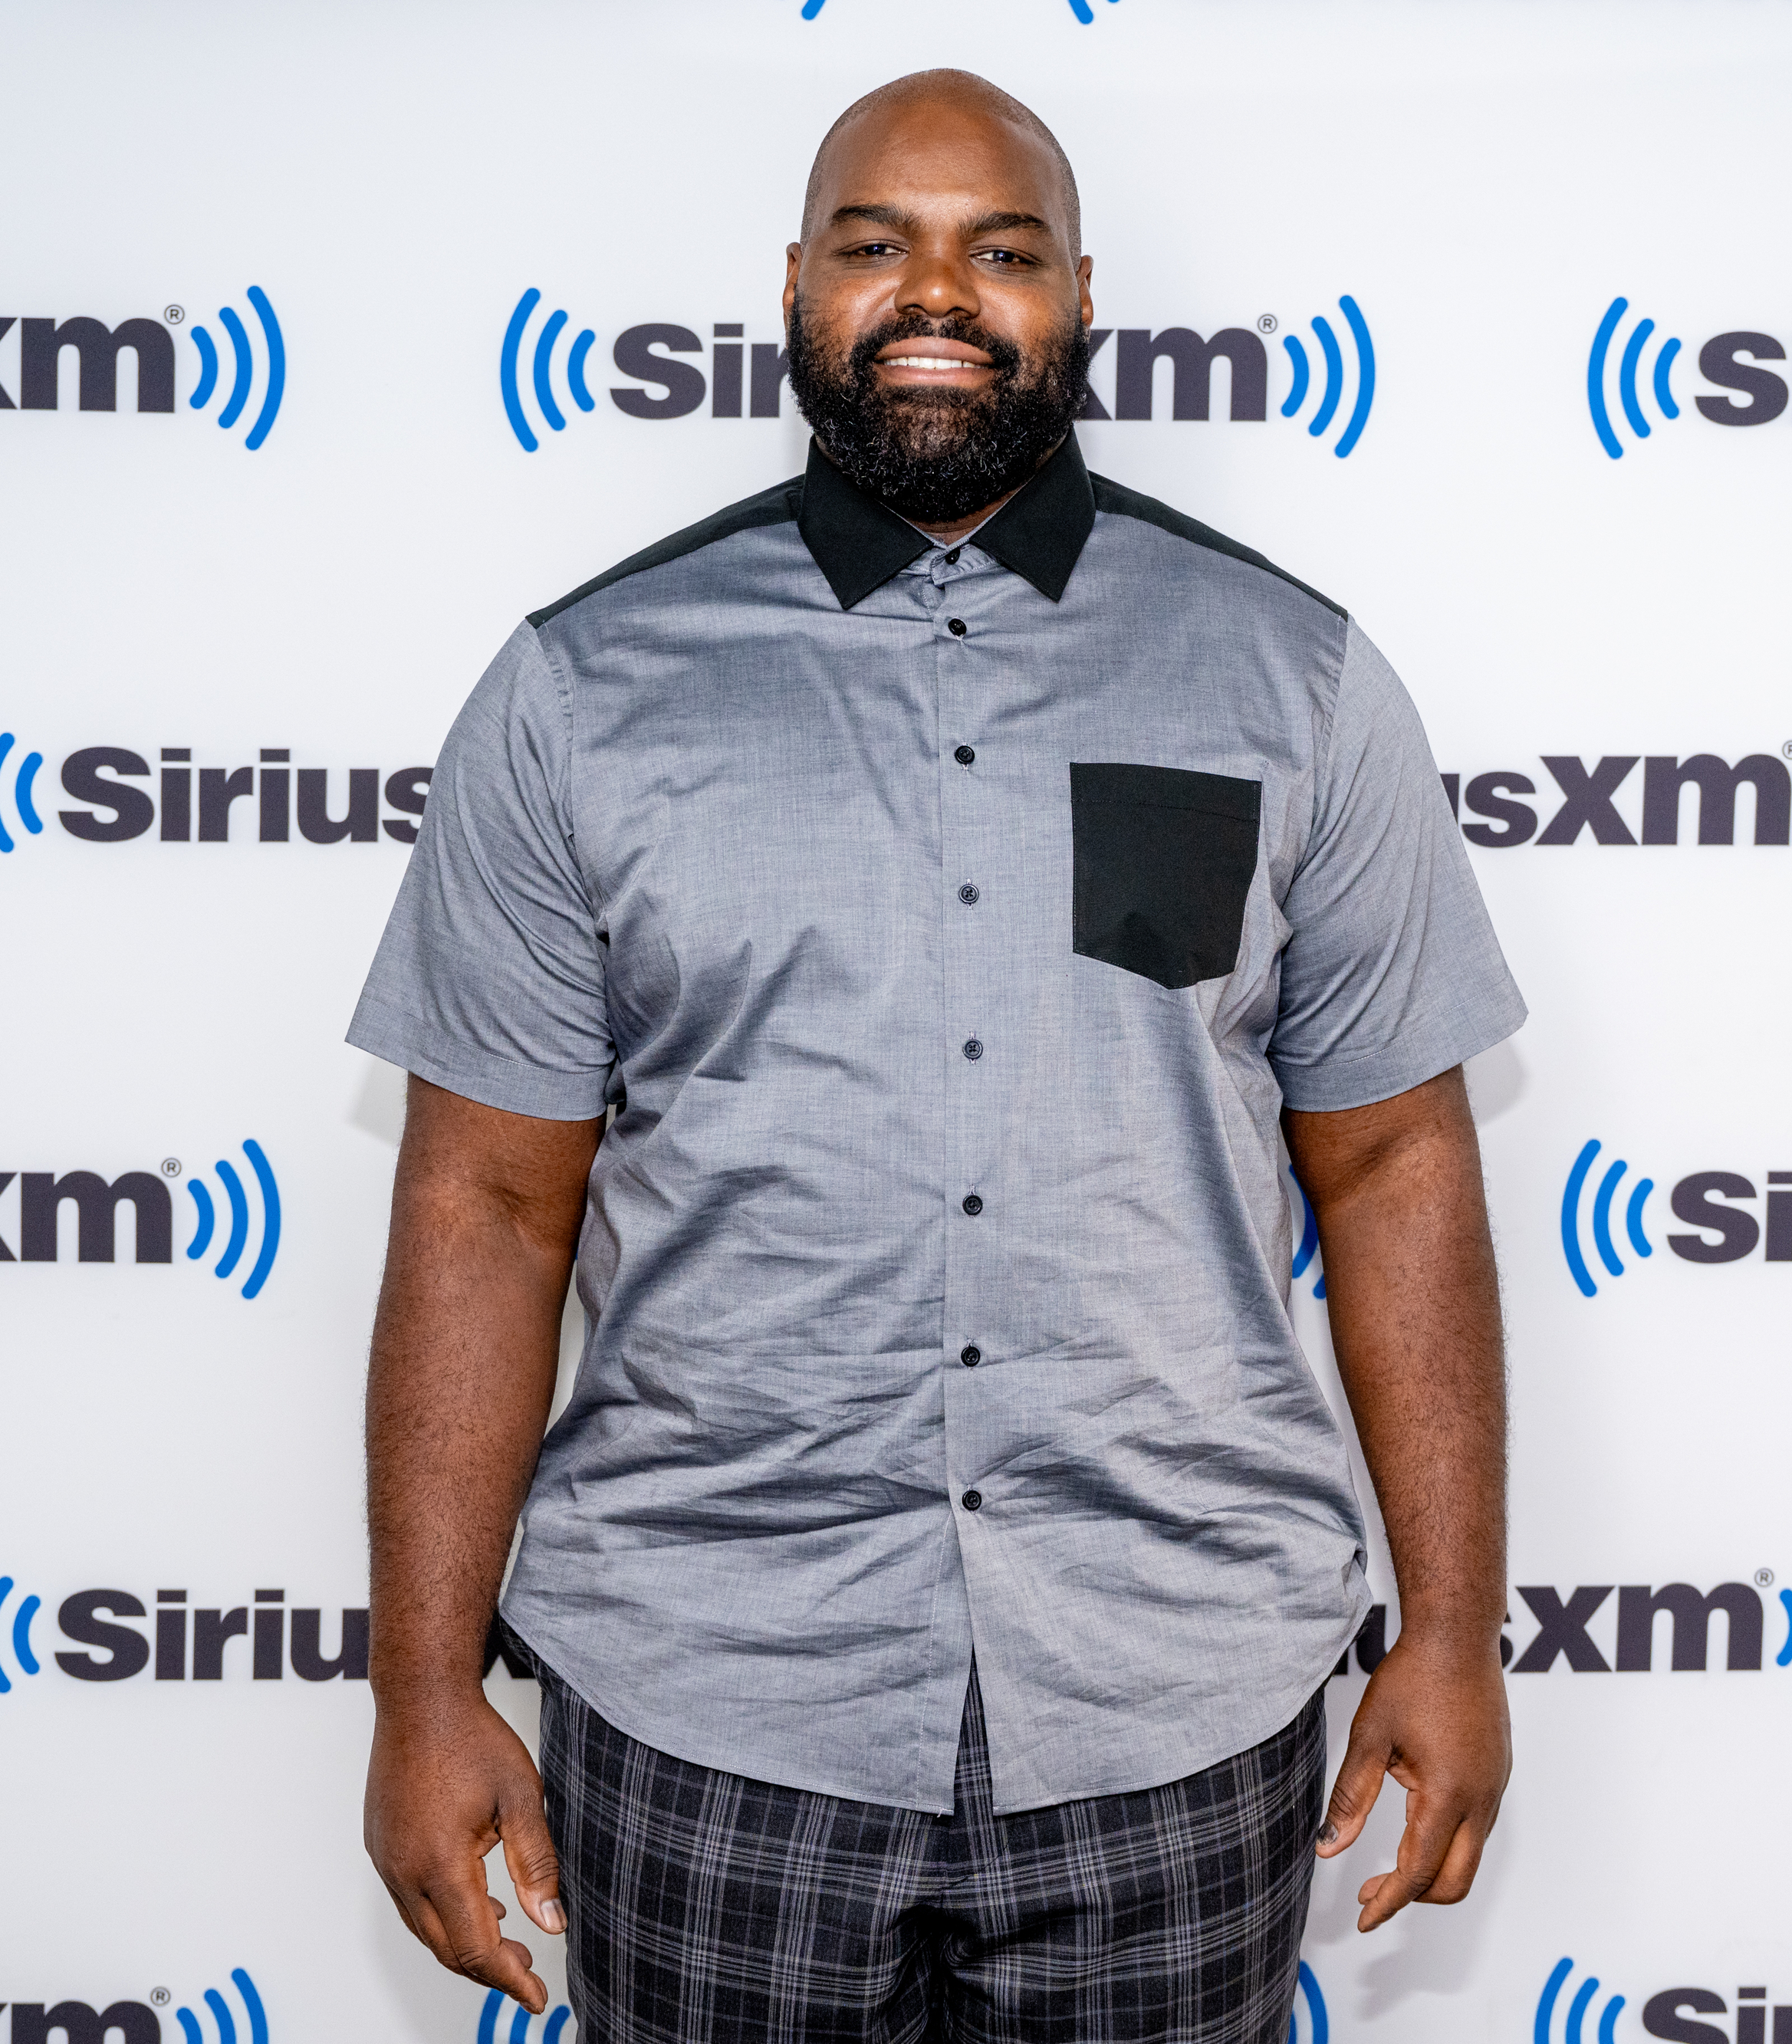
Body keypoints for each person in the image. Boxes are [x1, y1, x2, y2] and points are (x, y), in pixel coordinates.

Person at [350, 67, 1524, 2044]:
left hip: (1177, 1698)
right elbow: (481, 1199)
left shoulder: (1291, 676)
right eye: (876, 243)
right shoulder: (582, 691)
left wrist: (1458, 1636)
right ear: (795, 287)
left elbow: (1398, 1164)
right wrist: (420, 1692)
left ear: (1080, 294)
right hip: (713, 1702)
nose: (937, 290)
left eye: (1001, 248)